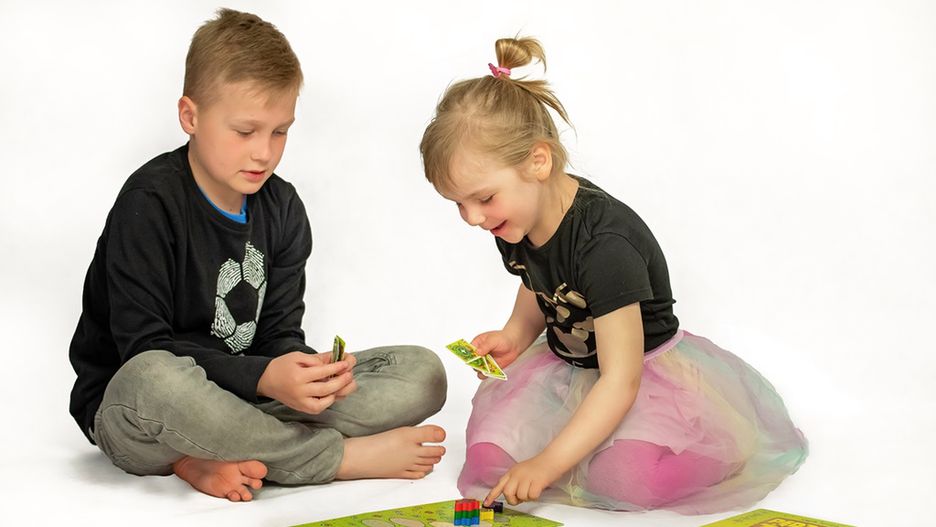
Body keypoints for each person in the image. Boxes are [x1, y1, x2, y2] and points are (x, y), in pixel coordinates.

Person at [68, 8, 447, 503]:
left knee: (421, 373)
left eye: (279, 131)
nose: (264, 153)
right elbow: (142, 348)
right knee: (154, 377)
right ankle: (333, 459)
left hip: (246, 401)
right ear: (190, 116)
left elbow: (277, 335)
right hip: (139, 412)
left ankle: (218, 453)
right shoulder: (150, 203)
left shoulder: (283, 208)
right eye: (245, 131)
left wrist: (306, 374)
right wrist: (265, 376)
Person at [418, 36, 807, 514]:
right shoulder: (514, 218)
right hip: (570, 368)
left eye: (483, 199)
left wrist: (548, 463)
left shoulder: (605, 245)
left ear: (538, 161)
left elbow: (620, 381)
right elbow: (536, 281)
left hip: (638, 374)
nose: (473, 218)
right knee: (487, 460)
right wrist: (514, 335)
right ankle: (580, 451)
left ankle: (718, 451)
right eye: (459, 204)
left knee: (624, 481)